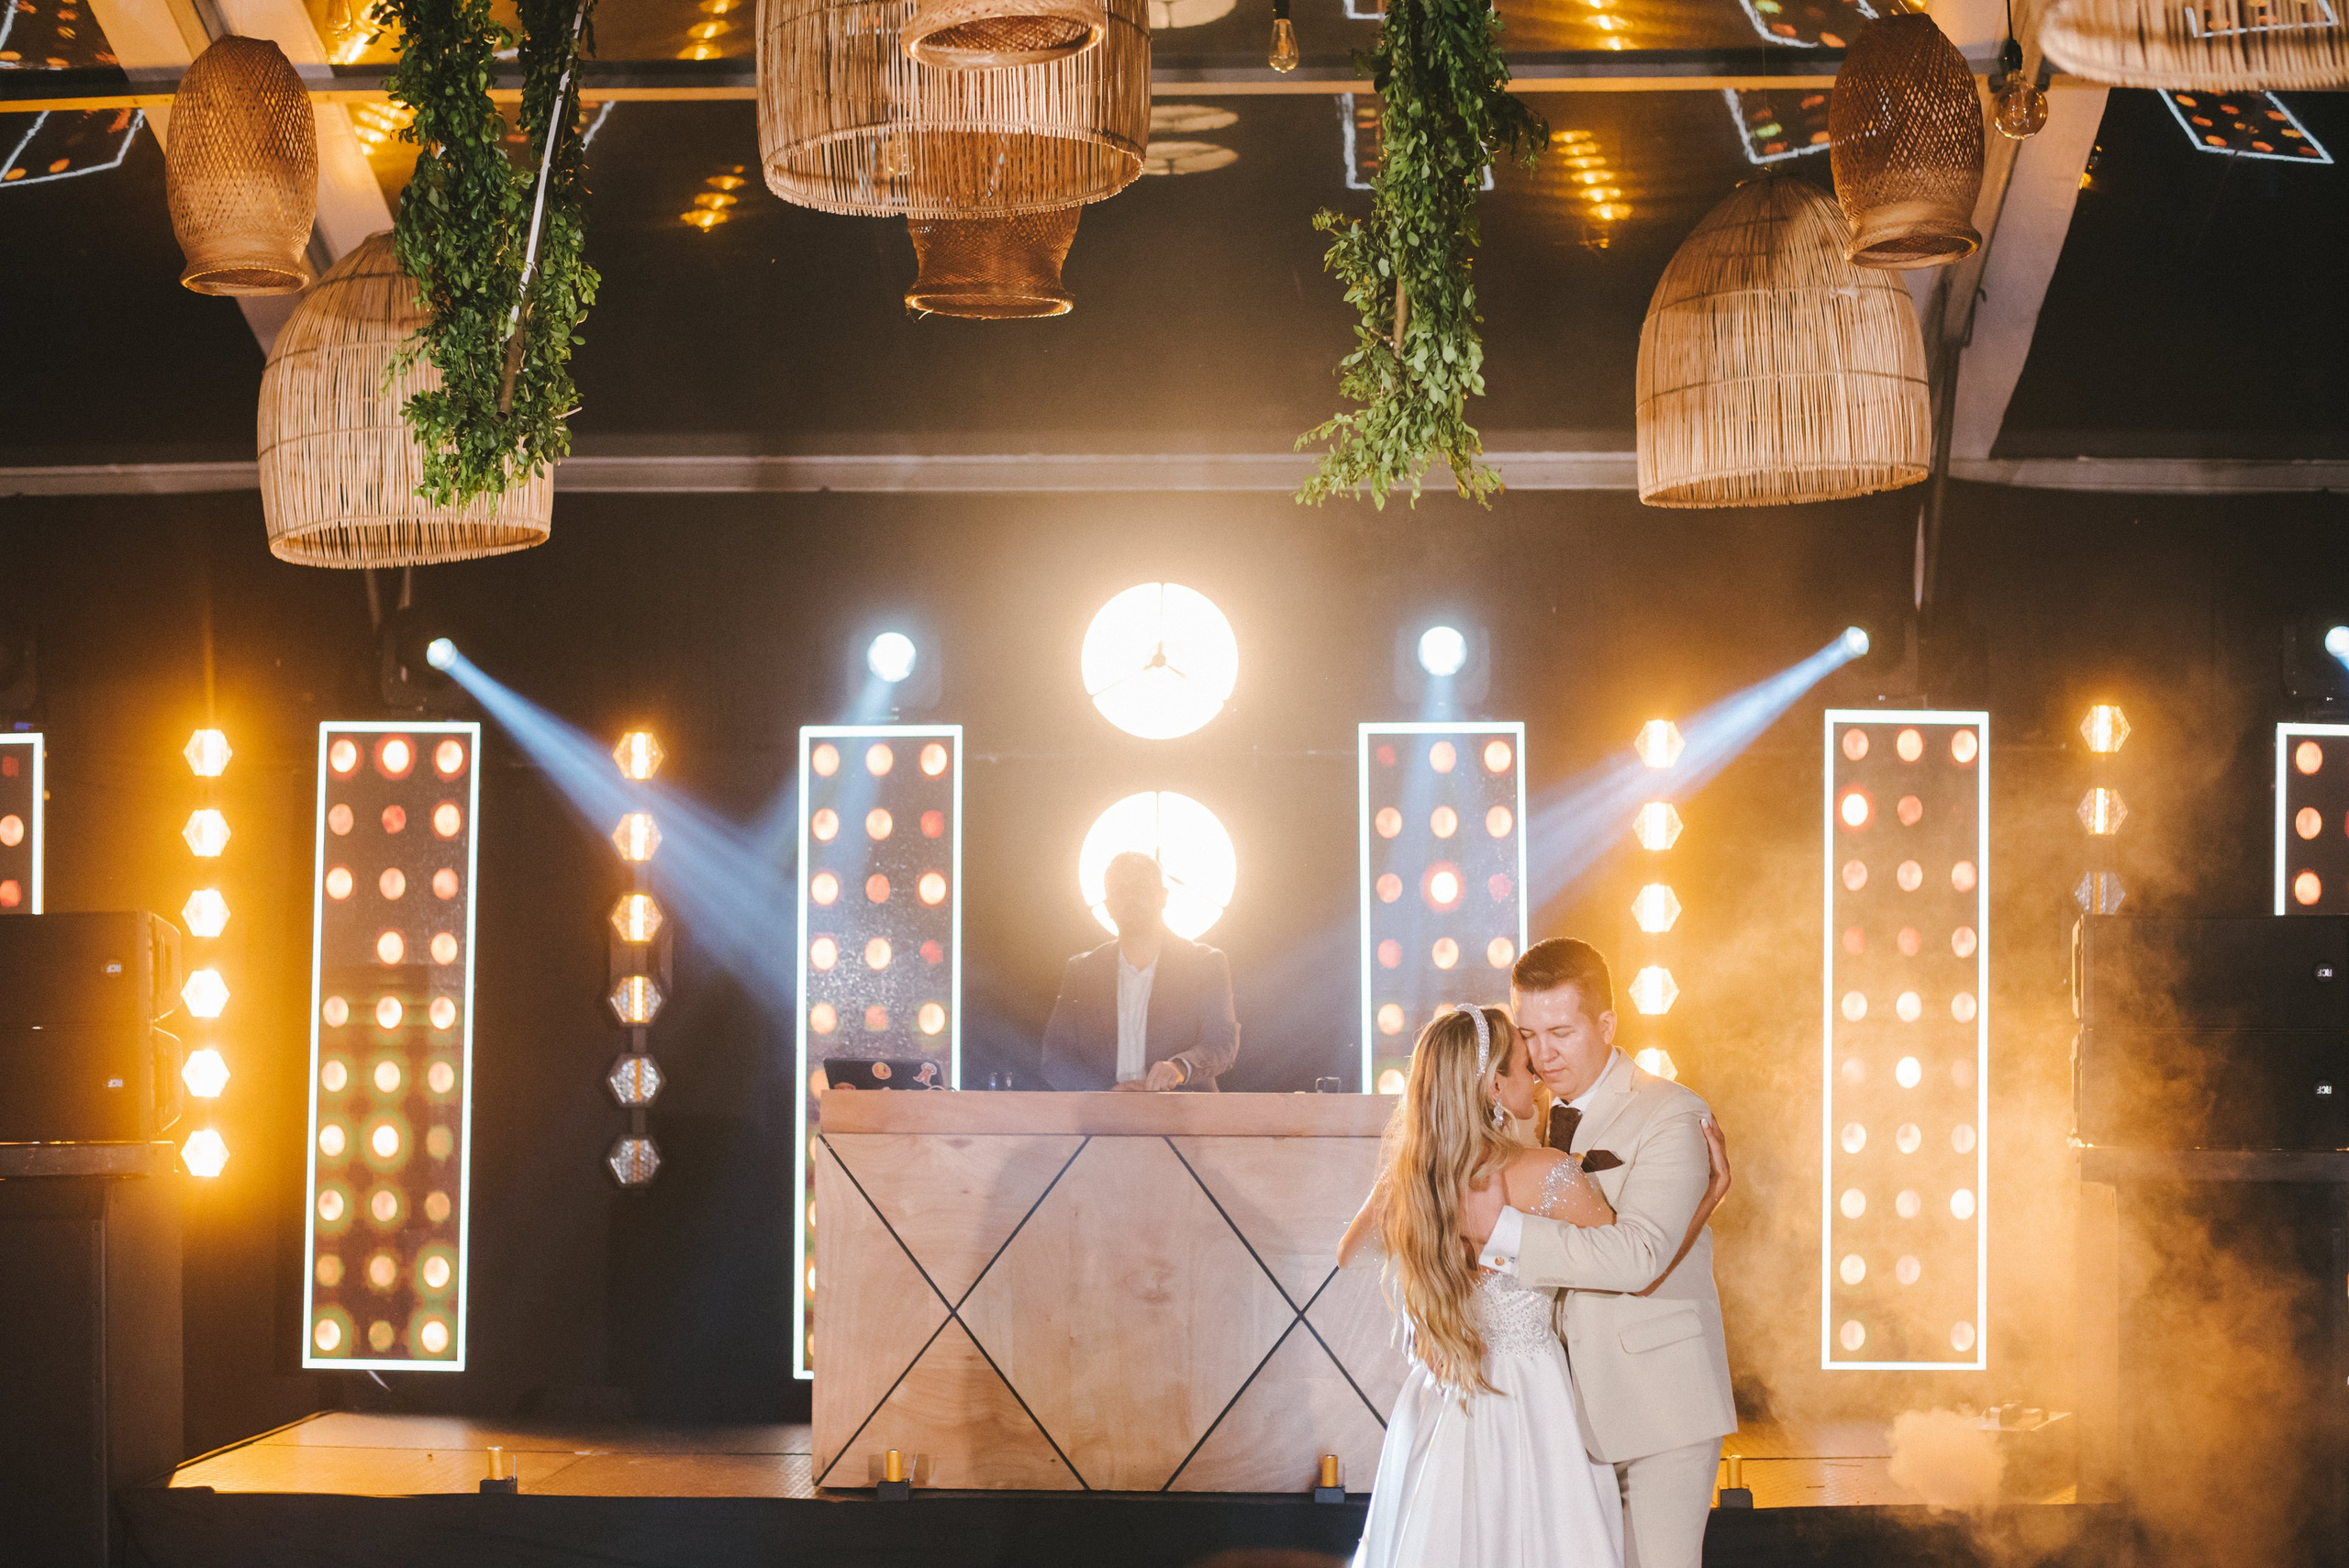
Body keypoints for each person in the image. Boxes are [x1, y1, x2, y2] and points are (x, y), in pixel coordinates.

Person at [1462, 939, 1736, 1568]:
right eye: (1528, 1033)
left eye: (1561, 1031)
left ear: (1606, 1025)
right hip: (1555, 1414)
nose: (1541, 1053)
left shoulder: (1670, 1111)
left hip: (1659, 1408)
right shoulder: (1522, 1121)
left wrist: (1500, 1231)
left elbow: (1639, 1255)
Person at [1337, 1003, 1624, 1568]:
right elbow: (1629, 1263)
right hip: (1532, 1396)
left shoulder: (1412, 1180)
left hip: (1445, 1391)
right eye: (1521, 1066)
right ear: (1494, 1085)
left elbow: (1350, 1254)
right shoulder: (1547, 1172)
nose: (1535, 1077)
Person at [1040, 851, 1239, 1091]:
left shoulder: (1206, 963)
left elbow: (1222, 1042)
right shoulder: (1082, 971)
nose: (1130, 898)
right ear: (1108, 906)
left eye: (1141, 888)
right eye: (1119, 891)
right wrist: (1104, 1094)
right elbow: (1055, 1057)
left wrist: (1180, 1068)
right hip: (1104, 1123)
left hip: (1187, 1119)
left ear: (1163, 897)